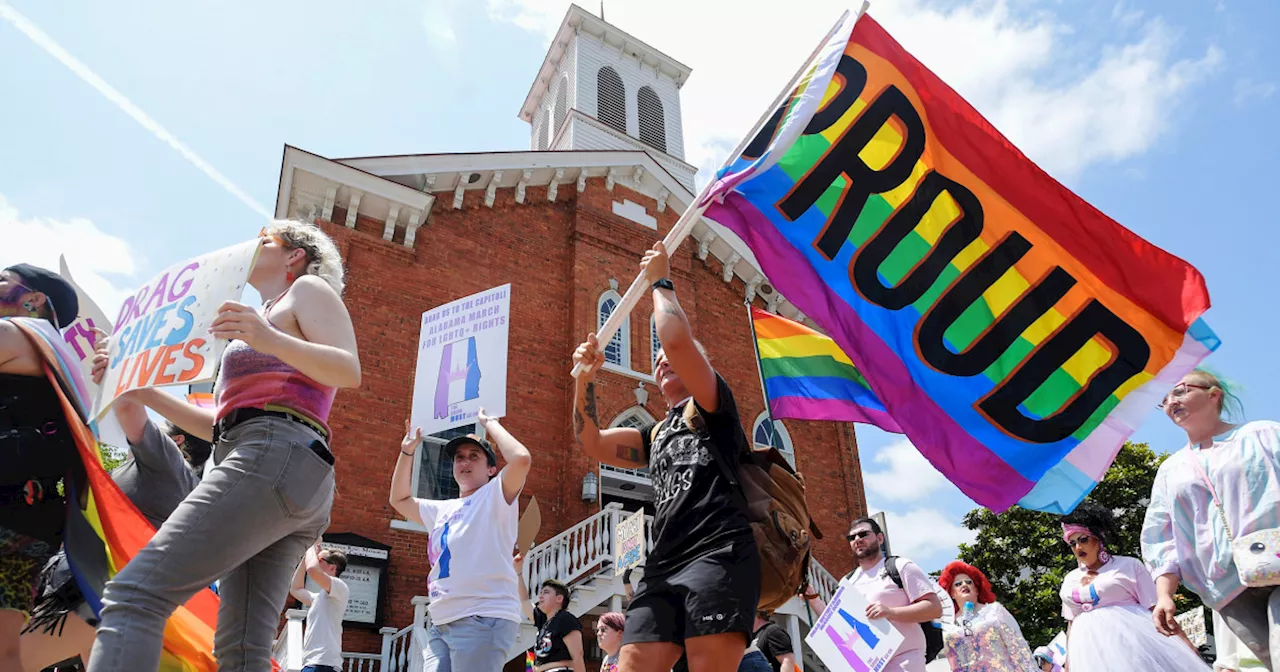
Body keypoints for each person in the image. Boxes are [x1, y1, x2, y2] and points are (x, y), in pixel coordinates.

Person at [89, 220, 362, 671]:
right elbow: (217, 425)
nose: (252, 244)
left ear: (295, 255)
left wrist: (267, 336)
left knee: (134, 595)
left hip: (271, 455)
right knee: (241, 650)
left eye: (265, 239)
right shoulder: (259, 317)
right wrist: (138, 390)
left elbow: (348, 369)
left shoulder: (307, 291)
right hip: (277, 465)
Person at [571, 241, 760, 672]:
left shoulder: (715, 405)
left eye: (668, 357)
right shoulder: (654, 432)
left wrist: (661, 280)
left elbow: (675, 341)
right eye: (656, 361)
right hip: (664, 564)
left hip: (720, 554)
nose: (661, 361)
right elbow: (593, 443)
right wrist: (585, 379)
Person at [21, 340, 212, 671]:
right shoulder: (163, 475)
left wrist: (121, 363)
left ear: (178, 439)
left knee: (13, 658)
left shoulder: (168, 463)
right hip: (85, 591)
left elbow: (127, 408)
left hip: (88, 597)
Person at [1141, 369, 1280, 669]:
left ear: (1214, 394)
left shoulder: (1263, 434)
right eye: (1164, 399)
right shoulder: (1170, 470)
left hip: (1276, 559)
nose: (1170, 402)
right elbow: (1160, 537)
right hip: (1224, 587)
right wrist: (1165, 595)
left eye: (1179, 391)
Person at [389, 408, 532, 671]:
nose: (464, 462)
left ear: (491, 469)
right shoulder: (442, 509)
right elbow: (398, 500)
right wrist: (407, 451)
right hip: (441, 622)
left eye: (474, 456)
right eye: (459, 457)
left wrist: (489, 423)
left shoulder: (495, 496)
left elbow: (521, 459)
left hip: (482, 618)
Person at [0, 263, 82, 672]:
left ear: (33, 300)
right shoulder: (60, 355)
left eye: (2, 280)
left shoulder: (16, 334)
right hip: (34, 516)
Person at [1059, 500, 1208, 671]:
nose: (1078, 547)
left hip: (1130, 646)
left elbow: (1156, 609)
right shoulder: (1070, 579)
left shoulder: (1129, 566)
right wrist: (1069, 663)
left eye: (1083, 539)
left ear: (1098, 537)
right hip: (1087, 654)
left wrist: (1186, 645)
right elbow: (1071, 623)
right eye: (1072, 543)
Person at [807, 517, 943, 672]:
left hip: (904, 660)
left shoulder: (900, 566)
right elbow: (837, 624)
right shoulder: (847, 581)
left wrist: (890, 612)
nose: (857, 539)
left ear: (880, 538)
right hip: (865, 666)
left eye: (863, 534)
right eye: (852, 537)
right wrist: (813, 598)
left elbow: (934, 608)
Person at [936, 560, 1036, 672]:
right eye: (958, 584)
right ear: (952, 593)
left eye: (969, 582)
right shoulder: (948, 624)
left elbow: (1018, 648)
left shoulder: (994, 611)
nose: (964, 584)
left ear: (977, 590)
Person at [289, 544, 350, 672]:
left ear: (333, 567)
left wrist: (311, 546)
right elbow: (295, 589)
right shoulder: (318, 598)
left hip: (323, 664)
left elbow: (312, 570)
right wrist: (307, 556)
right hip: (313, 663)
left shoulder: (340, 587)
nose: (316, 561)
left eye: (320, 560)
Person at [515, 564, 585, 672]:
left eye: (546, 592)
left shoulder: (566, 619)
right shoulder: (543, 621)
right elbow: (524, 600)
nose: (540, 596)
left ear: (559, 598)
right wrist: (519, 574)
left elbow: (578, 657)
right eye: (541, 593)